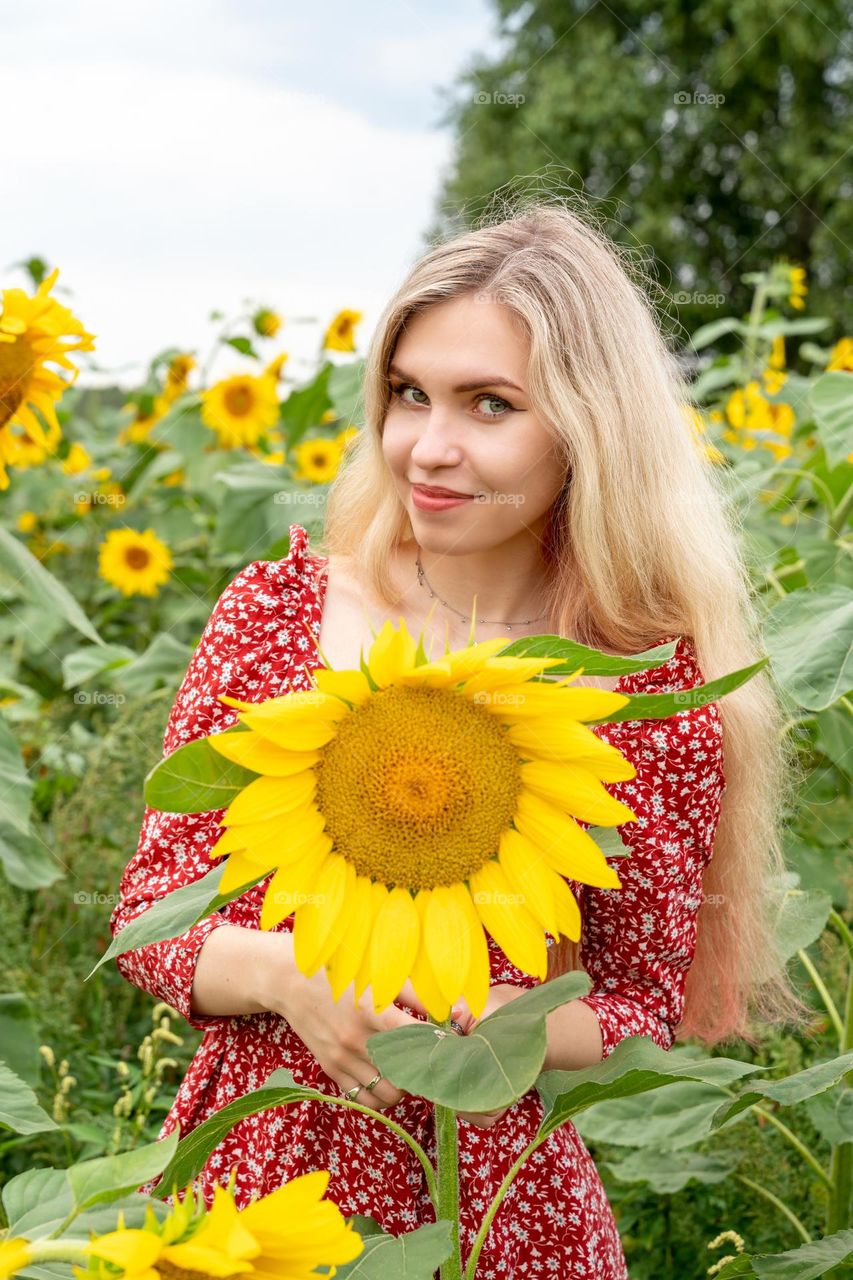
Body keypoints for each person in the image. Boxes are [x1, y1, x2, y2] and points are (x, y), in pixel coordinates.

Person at [110, 199, 807, 1278]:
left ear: (588, 427)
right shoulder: (277, 612)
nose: (427, 448)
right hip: (255, 1190)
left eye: (489, 405)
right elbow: (152, 912)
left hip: (498, 1209)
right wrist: (293, 974)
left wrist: (474, 1022)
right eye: (407, 394)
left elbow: (637, 1006)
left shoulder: (643, 688)